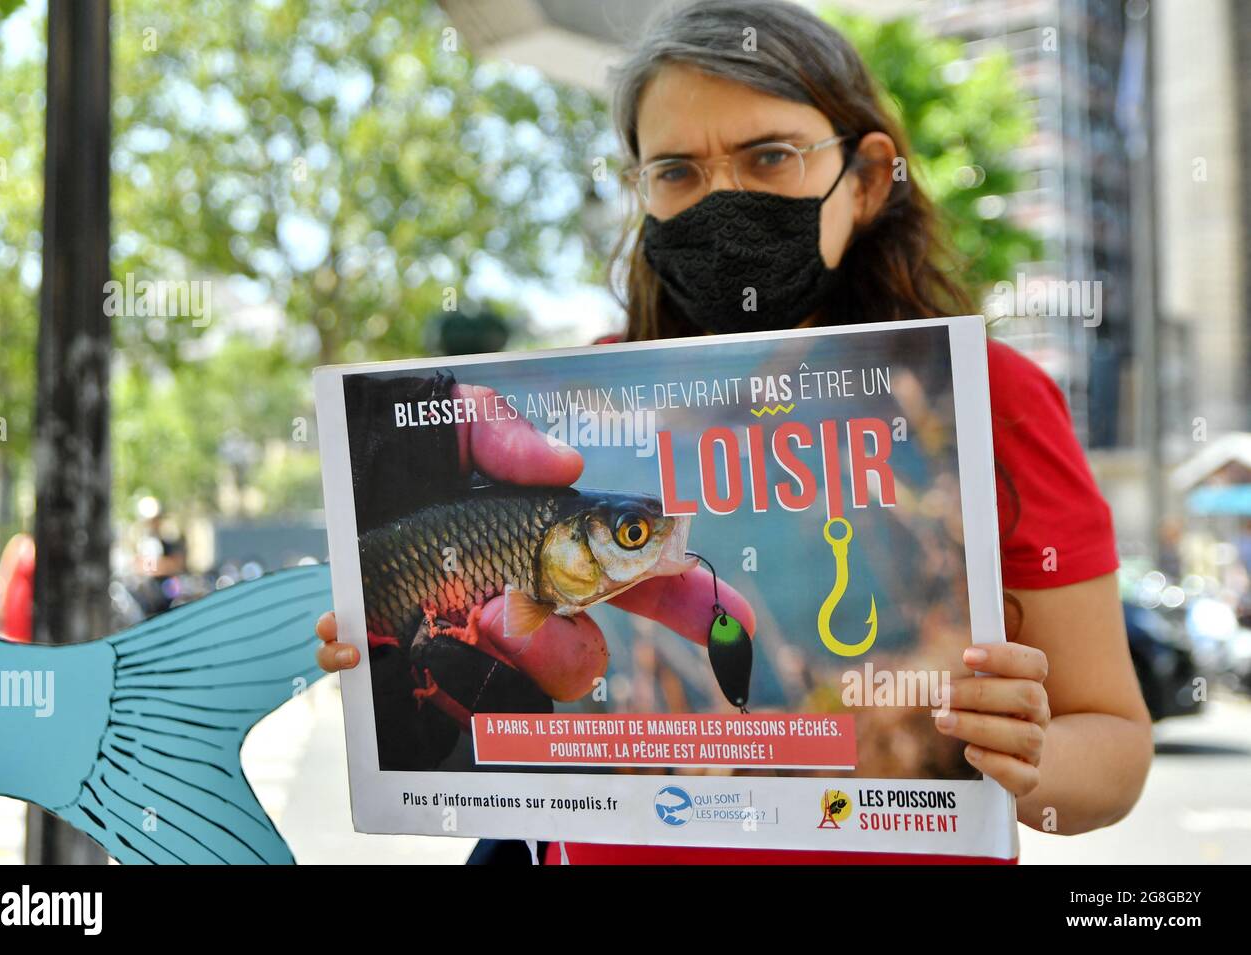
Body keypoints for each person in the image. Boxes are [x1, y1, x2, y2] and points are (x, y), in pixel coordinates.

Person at [316, 0, 1152, 863]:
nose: (724, 201)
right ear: (639, 191)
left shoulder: (990, 400)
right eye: (676, 170)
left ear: (866, 180)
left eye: (770, 157)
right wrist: (371, 611)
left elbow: (1116, 747)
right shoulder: (568, 408)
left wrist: (1031, 755)